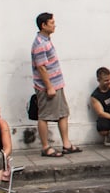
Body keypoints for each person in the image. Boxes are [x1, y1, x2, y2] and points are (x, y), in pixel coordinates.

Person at [31, 12, 80, 157]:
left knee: (63, 113)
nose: (54, 25)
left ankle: (66, 144)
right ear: (43, 25)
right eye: (51, 23)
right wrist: (49, 87)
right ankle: (45, 147)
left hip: (57, 84)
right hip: (48, 87)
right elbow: (41, 67)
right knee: (44, 116)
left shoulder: (46, 40)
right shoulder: (40, 43)